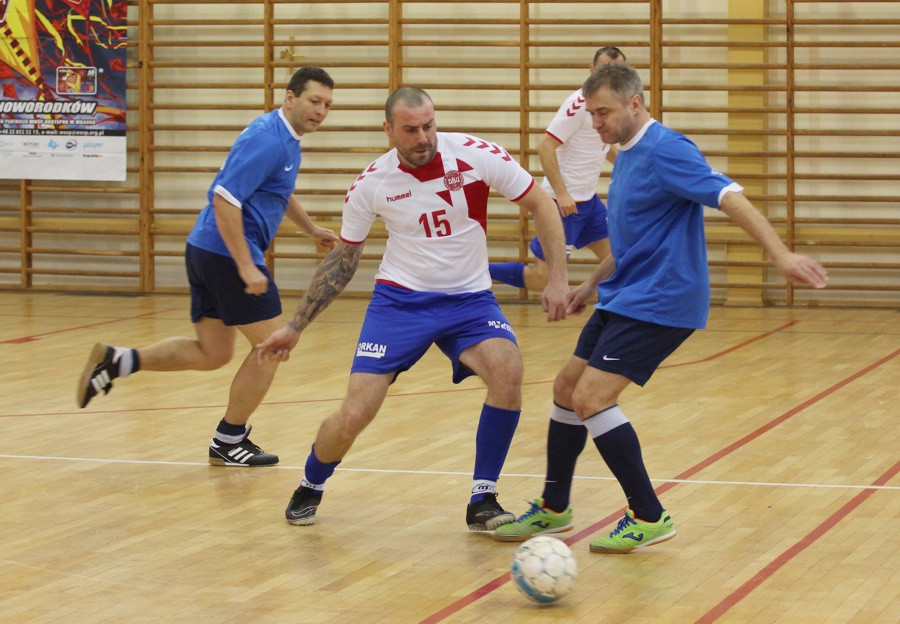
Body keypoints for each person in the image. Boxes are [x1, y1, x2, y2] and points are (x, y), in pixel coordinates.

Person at [494, 63, 828, 551]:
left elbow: (730, 195)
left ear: (635, 104)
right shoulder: (626, 156)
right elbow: (629, 245)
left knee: (591, 398)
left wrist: (780, 254)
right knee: (567, 388)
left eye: (603, 112)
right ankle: (554, 508)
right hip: (627, 294)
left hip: (663, 299)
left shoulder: (667, 148)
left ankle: (649, 515)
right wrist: (587, 287)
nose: (596, 124)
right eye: (590, 114)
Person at [256, 86, 571, 529]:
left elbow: (541, 204)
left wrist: (557, 277)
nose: (423, 137)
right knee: (355, 412)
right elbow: (343, 262)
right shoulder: (372, 184)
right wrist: (295, 326)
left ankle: (483, 499)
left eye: (428, 125)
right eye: (410, 130)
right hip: (400, 302)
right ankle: (312, 481)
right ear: (388, 130)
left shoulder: (475, 155)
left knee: (508, 370)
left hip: (468, 299)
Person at [76, 66, 339, 467]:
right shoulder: (270, 140)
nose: (320, 111)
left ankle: (118, 361)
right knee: (274, 345)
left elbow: (275, 190)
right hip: (227, 253)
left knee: (212, 352)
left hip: (204, 248)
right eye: (313, 101)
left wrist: (309, 228)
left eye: (326, 105)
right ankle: (228, 440)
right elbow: (225, 199)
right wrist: (246, 267)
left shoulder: (284, 135)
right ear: (290, 97)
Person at [489, 46, 626, 292]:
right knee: (542, 279)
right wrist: (562, 193)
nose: (611, 77)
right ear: (592, 71)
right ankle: (478, 272)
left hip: (589, 204)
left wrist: (629, 166)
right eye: (606, 70)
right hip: (562, 205)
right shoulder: (578, 104)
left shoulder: (608, 107)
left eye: (618, 72)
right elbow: (545, 146)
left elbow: (602, 146)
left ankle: (616, 316)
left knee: (619, 261)